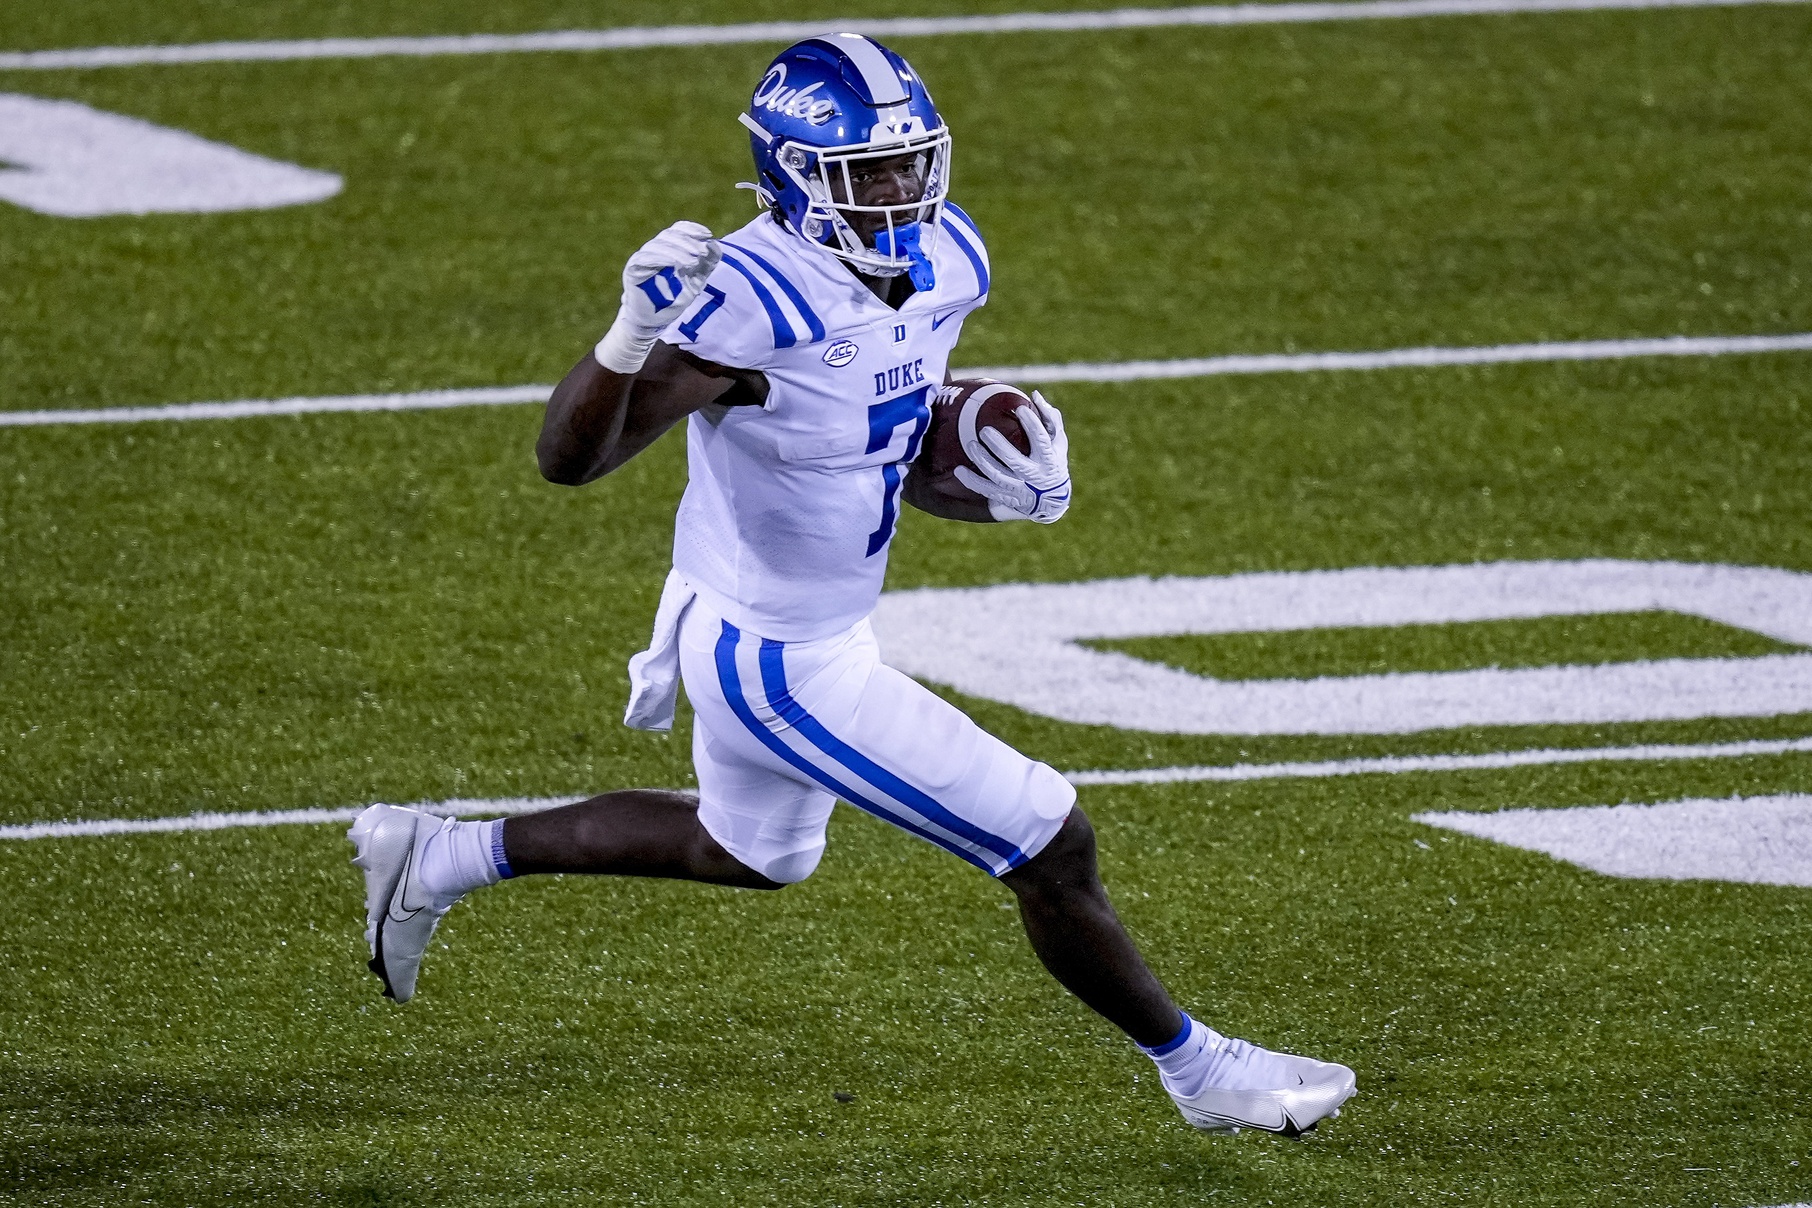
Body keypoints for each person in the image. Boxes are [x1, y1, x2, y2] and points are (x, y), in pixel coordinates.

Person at [348, 33, 1355, 1137]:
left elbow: (889, 437)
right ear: (789, 173)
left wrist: (1008, 479)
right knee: (1047, 839)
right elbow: (568, 459)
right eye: (866, 172)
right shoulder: (747, 299)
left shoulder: (949, 257)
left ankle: (443, 853)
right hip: (773, 655)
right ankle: (1201, 1069)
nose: (898, 189)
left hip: (807, 628)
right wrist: (630, 335)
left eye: (910, 161)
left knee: (752, 851)